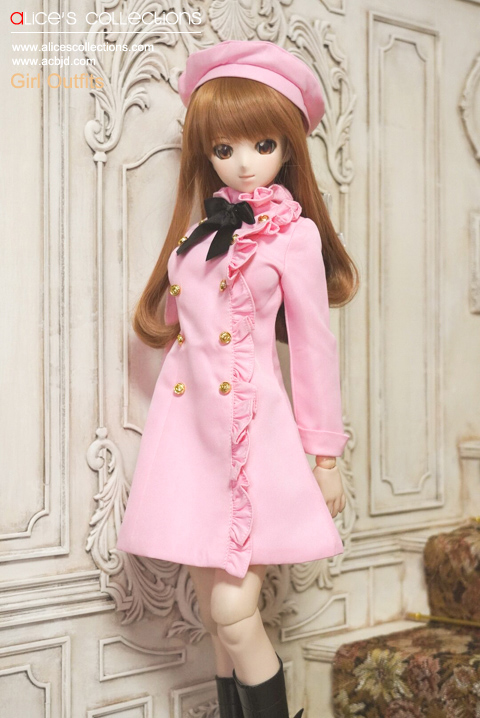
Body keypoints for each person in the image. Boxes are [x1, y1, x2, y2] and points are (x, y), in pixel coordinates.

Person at [116, 39, 359, 718]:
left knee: (233, 611)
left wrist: (325, 455)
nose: (244, 162)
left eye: (262, 144)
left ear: (288, 148)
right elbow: (185, 331)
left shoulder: (294, 238)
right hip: (189, 441)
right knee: (216, 623)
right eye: (224, 148)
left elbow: (313, 350)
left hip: (254, 442)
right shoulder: (200, 235)